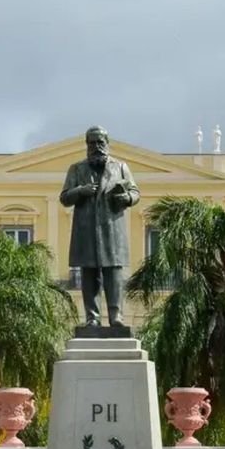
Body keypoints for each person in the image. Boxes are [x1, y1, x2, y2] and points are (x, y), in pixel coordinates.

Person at [59, 126, 140, 329]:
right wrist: (81, 190)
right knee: (89, 273)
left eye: (100, 142)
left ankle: (116, 317)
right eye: (92, 143)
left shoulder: (121, 167)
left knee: (113, 273)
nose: (96, 146)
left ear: (107, 144)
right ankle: (92, 318)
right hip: (85, 230)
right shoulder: (76, 169)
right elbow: (64, 198)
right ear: (87, 145)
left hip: (112, 229)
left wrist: (126, 197)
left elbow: (135, 192)